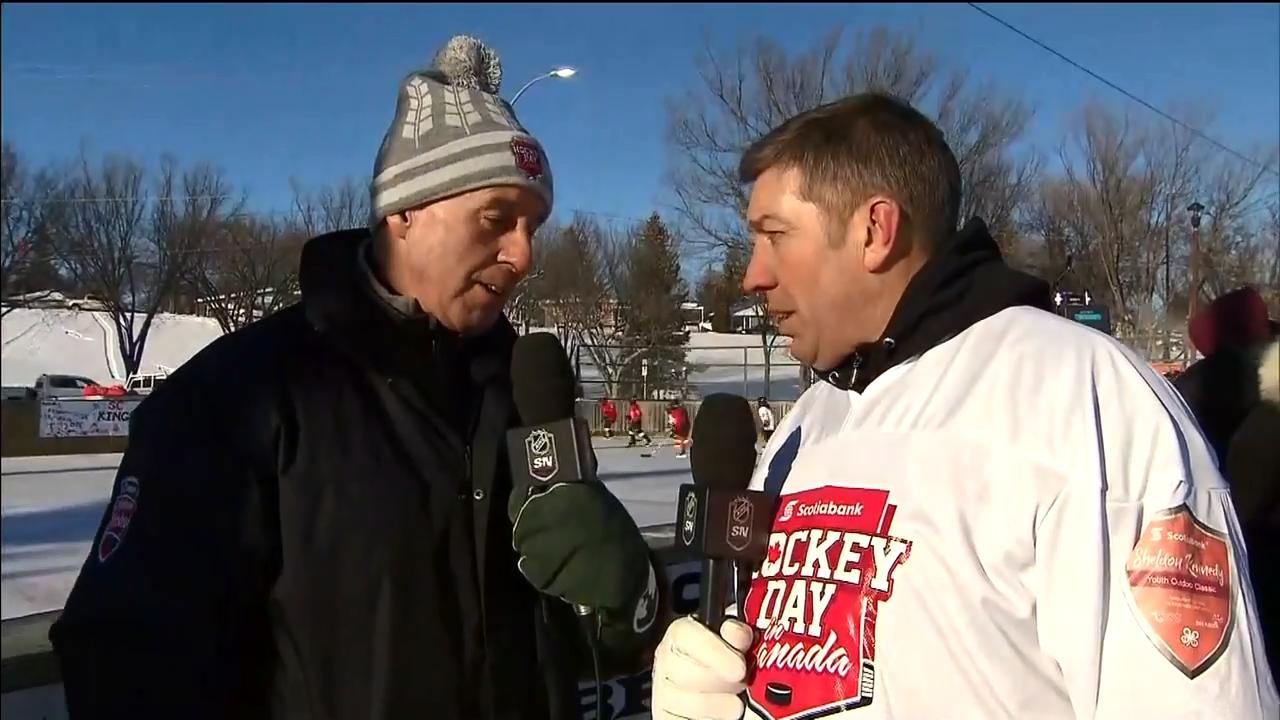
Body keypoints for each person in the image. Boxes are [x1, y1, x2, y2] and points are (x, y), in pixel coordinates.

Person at [50, 35, 664, 720]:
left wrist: (628, 598)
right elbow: (124, 663)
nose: (522, 254)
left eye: (533, 226)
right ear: (404, 212)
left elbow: (583, 645)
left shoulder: (522, 393)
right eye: (497, 219)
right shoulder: (240, 397)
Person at [649, 93, 1277, 720]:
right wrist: (707, 680)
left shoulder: (1083, 397)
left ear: (874, 231)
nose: (752, 276)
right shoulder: (810, 420)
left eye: (775, 237)